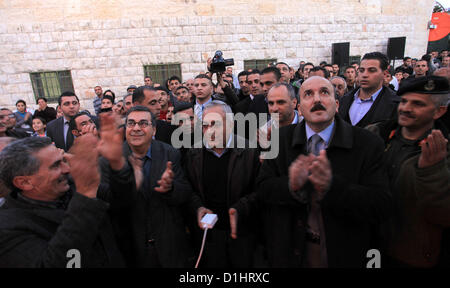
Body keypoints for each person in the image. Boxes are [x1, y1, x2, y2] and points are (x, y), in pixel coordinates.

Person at [257, 76, 392, 267]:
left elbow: (381, 204)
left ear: (337, 104)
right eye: (308, 94)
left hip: (345, 252)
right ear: (300, 108)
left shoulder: (368, 143)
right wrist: (291, 185)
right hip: (292, 252)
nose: (317, 99)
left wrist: (332, 186)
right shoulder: (280, 139)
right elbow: (263, 188)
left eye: (324, 92)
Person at [0, 136, 126, 267]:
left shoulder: (72, 185)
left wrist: (117, 163)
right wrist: (85, 195)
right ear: (24, 182)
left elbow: (121, 198)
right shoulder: (7, 228)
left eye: (63, 160)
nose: (67, 169)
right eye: (55, 165)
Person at [366, 75, 449, 268]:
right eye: (403, 101)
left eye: (418, 104)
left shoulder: (443, 152)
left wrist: (432, 171)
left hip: (410, 256)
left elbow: (443, 215)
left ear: (439, 111)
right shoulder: (376, 134)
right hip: (372, 247)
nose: (406, 108)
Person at [98, 106, 194, 267]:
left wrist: (170, 188)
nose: (136, 128)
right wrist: (127, 187)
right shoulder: (109, 160)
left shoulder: (170, 153)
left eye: (143, 123)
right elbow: (105, 202)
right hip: (131, 248)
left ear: (154, 129)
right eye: (131, 123)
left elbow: (185, 193)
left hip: (168, 245)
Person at [183, 100, 261, 268]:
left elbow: (260, 190)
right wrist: (198, 207)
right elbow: (189, 189)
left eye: (215, 124)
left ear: (231, 124)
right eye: (205, 125)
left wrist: (241, 208)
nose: (210, 130)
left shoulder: (250, 151)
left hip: (242, 234)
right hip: (208, 236)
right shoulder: (193, 153)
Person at [339, 52, 400, 128]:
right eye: (361, 70)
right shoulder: (345, 99)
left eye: (371, 70)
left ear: (384, 74)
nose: (364, 75)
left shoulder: (395, 104)